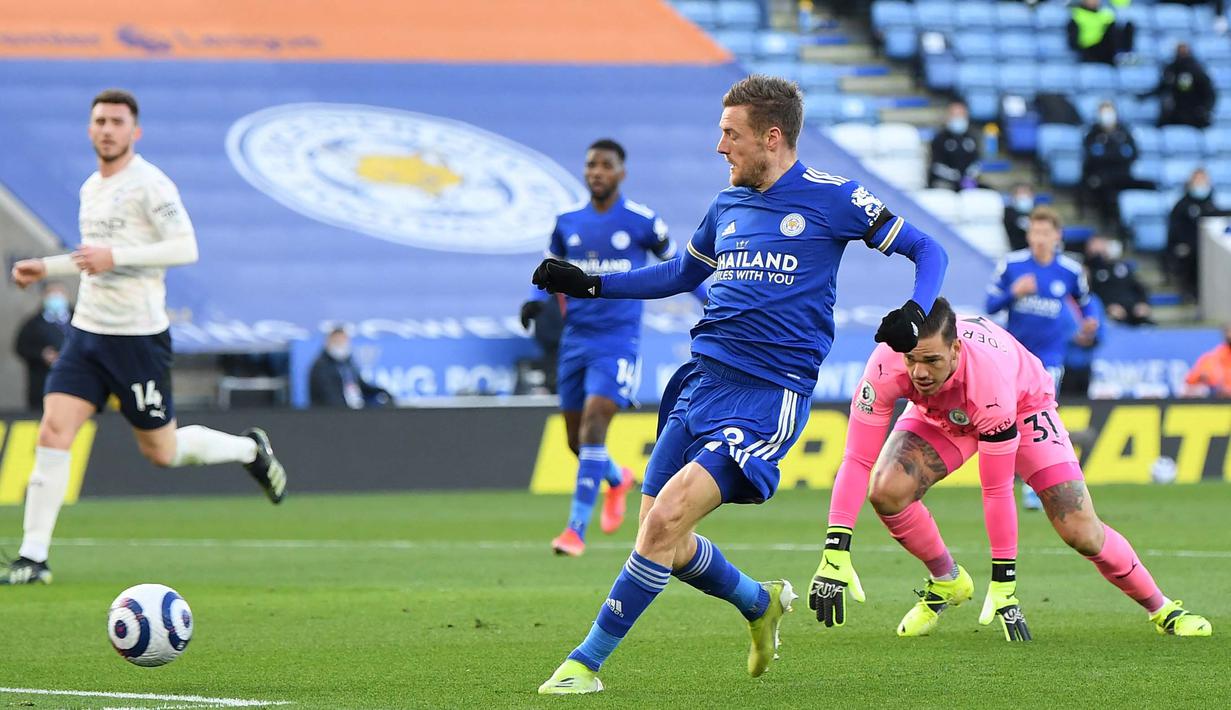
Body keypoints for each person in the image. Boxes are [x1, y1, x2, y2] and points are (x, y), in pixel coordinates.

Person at [531, 75, 949, 694]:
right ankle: (759, 602)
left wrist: (916, 312)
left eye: (731, 134)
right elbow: (681, 272)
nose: (720, 146)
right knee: (662, 538)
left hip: (765, 395)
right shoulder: (727, 205)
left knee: (666, 520)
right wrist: (592, 285)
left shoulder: (834, 197)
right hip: (700, 383)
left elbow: (928, 249)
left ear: (771, 137)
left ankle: (584, 665)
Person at [3, 89, 287, 586]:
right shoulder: (92, 187)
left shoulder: (150, 184)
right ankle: (33, 558)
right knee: (53, 430)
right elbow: (93, 258)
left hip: (137, 339)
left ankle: (249, 450)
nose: (107, 130)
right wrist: (45, 267)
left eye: (117, 122)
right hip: (88, 333)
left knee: (162, 452)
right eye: (100, 121)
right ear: (89, 129)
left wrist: (116, 257)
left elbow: (185, 248)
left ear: (134, 132)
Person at [810, 297, 1210, 640]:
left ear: (956, 350)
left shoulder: (990, 383)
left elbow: (997, 489)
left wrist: (1004, 583)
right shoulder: (887, 363)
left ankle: (1163, 610)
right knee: (886, 491)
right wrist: (835, 552)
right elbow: (856, 459)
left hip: (1021, 407)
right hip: (940, 413)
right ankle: (947, 581)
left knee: (1081, 530)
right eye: (912, 360)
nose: (920, 372)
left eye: (931, 360)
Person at [519, 138, 701, 557]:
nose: (596, 172)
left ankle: (574, 531)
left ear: (621, 172)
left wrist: (711, 301)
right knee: (576, 441)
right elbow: (549, 271)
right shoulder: (567, 222)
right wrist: (535, 300)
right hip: (575, 340)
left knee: (594, 425)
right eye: (591, 165)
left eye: (605, 165)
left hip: (618, 341)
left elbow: (682, 269)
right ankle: (617, 478)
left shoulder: (641, 222)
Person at [986, 207, 1098, 509]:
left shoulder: (1070, 270)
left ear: (1057, 236)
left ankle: (1033, 487)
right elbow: (991, 304)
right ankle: (1006, 480)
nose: (1040, 239)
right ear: (1028, 235)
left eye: (1045, 233)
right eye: (1035, 232)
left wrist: (1090, 321)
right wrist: (1014, 292)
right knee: (1007, 417)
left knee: (1039, 418)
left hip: (1049, 357)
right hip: (1013, 356)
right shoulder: (1012, 265)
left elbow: (1086, 303)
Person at [1082, 101, 1154, 226]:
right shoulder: (1093, 134)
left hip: (1123, 174)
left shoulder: (1124, 132)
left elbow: (1134, 154)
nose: (1107, 116)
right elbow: (1092, 157)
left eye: (1110, 112)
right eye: (1104, 112)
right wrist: (1117, 154)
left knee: (1149, 185)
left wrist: (1110, 155)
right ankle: (1109, 223)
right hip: (1102, 175)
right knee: (1103, 189)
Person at [1167, 168, 1227, 302]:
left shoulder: (1210, 204)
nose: (1201, 184)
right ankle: (1191, 293)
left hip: (1208, 247)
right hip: (1188, 247)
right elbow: (1176, 230)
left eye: (1204, 180)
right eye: (1198, 180)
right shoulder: (1182, 205)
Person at [13, 283, 72, 410]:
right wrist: (41, 354)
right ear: (44, 297)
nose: (56, 298)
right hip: (43, 383)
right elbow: (21, 347)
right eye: (52, 294)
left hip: (76, 382)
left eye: (59, 293)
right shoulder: (33, 323)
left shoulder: (79, 319)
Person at [308, 327, 393, 408]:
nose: (341, 345)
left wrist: (381, 392)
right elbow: (331, 399)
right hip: (333, 414)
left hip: (354, 409)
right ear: (328, 343)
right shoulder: (321, 367)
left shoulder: (348, 363)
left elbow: (362, 386)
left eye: (343, 342)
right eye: (337, 342)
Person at [1144, 43, 1217, 129]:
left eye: (1184, 52)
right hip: (1175, 114)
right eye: (1180, 52)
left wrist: (1204, 109)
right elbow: (1163, 87)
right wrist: (1144, 96)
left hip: (1193, 115)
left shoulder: (1197, 71)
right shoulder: (1171, 69)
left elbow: (1209, 93)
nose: (1182, 55)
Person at [1084, 235, 1153, 326]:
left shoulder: (1121, 266)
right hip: (1110, 311)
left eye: (1101, 244)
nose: (1098, 248)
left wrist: (1143, 303)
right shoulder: (1089, 270)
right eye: (1094, 245)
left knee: (1144, 321)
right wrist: (1106, 307)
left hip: (1132, 309)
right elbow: (1089, 294)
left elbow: (1139, 287)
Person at [927, 101, 982, 192]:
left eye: (961, 115)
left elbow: (976, 161)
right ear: (948, 117)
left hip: (966, 182)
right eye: (955, 115)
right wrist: (953, 176)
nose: (958, 118)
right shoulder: (940, 138)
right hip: (944, 182)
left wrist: (969, 175)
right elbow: (936, 165)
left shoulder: (972, 137)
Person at [1068, 0, 1134, 65]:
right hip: (1088, 49)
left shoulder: (1105, 14)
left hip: (1106, 48)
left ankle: (1125, 54)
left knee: (1128, 25)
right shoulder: (1076, 15)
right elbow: (1073, 42)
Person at [1183, 323, 1231, 398]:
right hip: (1218, 399)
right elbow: (1191, 380)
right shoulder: (1213, 357)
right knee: (1196, 390)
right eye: (1228, 332)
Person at [1002, 184, 1036, 252]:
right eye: (1020, 193)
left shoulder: (1039, 212)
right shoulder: (1007, 212)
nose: (1023, 196)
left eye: (1026, 192)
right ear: (1013, 196)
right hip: (1013, 250)